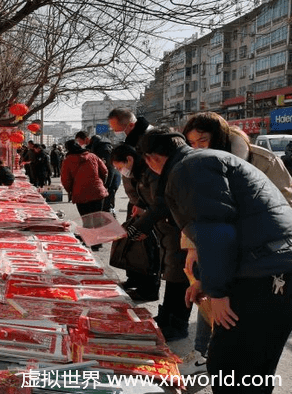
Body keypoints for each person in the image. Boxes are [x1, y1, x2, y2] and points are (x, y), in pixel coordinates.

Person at [138, 128, 292, 394]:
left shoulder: (189, 169)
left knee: (231, 365)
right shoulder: (200, 161)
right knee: (252, 365)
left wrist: (217, 292)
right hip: (269, 264)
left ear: (151, 159)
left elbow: (216, 233)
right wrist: (205, 282)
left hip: (267, 272)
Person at [178, 112, 292, 374]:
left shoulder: (263, 161)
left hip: (262, 257)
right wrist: (192, 247)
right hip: (222, 249)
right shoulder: (199, 165)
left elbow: (285, 207)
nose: (197, 147)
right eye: (191, 143)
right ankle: (202, 355)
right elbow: (197, 212)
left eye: (202, 140)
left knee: (249, 337)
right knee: (212, 301)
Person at [112, 138, 191, 337]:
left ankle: (177, 324)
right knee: (171, 273)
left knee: (179, 276)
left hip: (177, 230)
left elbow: (162, 203)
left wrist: (141, 226)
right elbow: (152, 201)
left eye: (119, 166)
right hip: (165, 229)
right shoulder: (143, 172)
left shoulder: (155, 172)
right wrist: (143, 209)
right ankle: (166, 317)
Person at [107, 107, 155, 295]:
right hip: (136, 200)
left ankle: (148, 287)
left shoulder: (149, 139)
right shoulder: (133, 139)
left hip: (146, 202)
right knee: (132, 242)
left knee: (147, 246)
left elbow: (150, 180)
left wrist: (143, 204)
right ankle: (134, 278)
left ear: (131, 124)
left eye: (121, 129)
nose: (120, 133)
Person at [61, 139, 108, 250]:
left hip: (80, 193)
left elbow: (65, 180)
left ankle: (91, 242)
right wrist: (101, 183)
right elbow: (105, 171)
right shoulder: (93, 156)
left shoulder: (67, 160)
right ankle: (98, 242)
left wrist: (70, 191)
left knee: (87, 219)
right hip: (97, 192)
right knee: (97, 218)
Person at [76, 131, 120, 216]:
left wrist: (106, 184)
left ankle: (111, 226)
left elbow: (109, 167)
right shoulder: (92, 147)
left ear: (86, 139)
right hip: (101, 181)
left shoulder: (102, 147)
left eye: (79, 140)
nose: (79, 143)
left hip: (110, 179)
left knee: (107, 207)